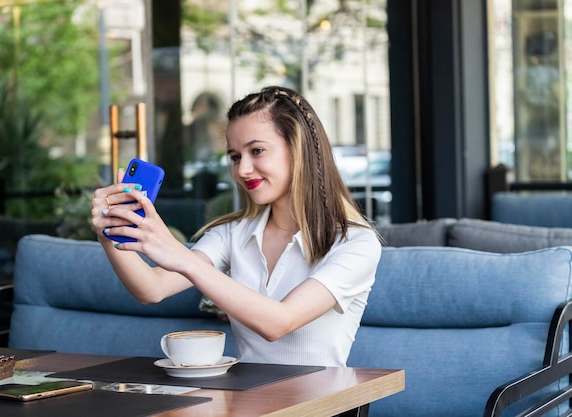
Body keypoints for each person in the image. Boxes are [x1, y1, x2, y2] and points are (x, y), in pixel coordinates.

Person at [91, 86, 381, 367]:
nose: (242, 170)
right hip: (251, 403)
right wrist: (109, 232)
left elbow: (280, 322)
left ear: (298, 149)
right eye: (235, 156)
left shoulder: (355, 243)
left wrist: (181, 257)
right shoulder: (233, 234)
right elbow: (151, 289)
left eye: (256, 150)